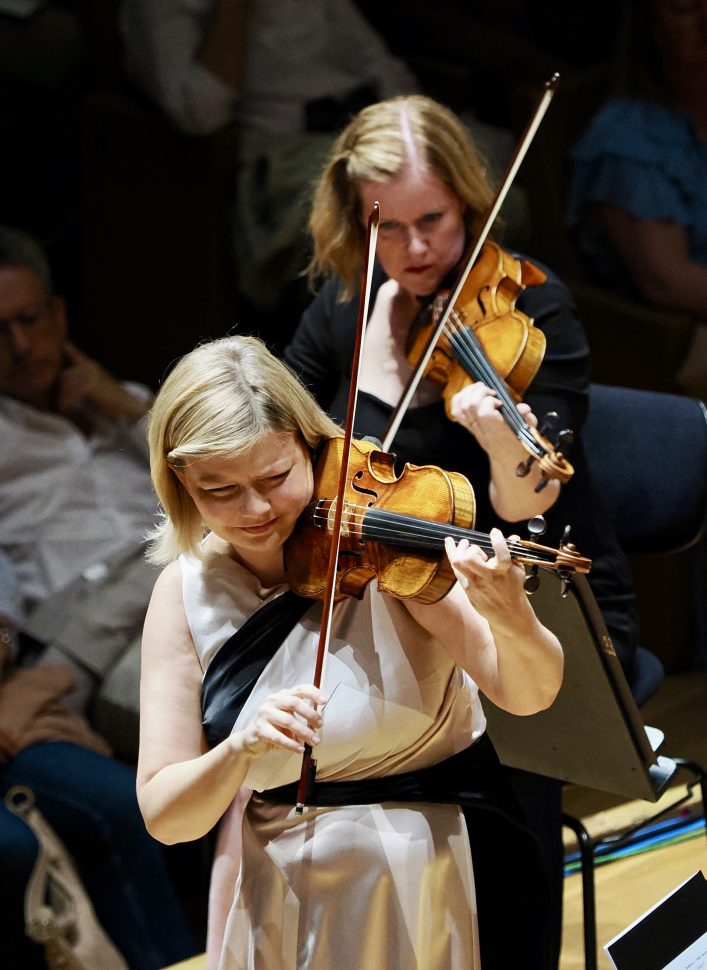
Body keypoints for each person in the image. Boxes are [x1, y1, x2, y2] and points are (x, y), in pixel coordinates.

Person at [283, 93, 642, 967]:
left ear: (472, 201)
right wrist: (367, 366)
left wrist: (492, 432)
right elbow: (289, 438)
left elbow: (529, 506)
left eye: (433, 221)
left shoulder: (531, 308)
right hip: (392, 603)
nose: (413, 251)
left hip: (527, 597)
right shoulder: (345, 305)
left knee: (488, 796)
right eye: (387, 224)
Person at [139, 333, 565, 970]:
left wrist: (513, 619)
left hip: (448, 870)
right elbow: (169, 818)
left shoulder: (381, 547)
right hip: (292, 896)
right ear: (180, 482)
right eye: (219, 490)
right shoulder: (182, 593)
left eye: (274, 477)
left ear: (312, 449)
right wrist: (238, 751)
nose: (254, 509)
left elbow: (528, 695)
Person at [0, 226, 199, 968]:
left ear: (58, 317)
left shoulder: (136, 411)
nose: (19, 347)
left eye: (29, 322)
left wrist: (125, 411)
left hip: (198, 590)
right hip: (95, 639)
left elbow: (225, 477)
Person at [119, 0, 418, 327]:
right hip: (288, 158)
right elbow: (198, 111)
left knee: (468, 181)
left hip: (375, 132)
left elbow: (378, 63)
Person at [567, 0, 707, 398]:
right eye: (684, 8)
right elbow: (667, 281)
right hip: (678, 340)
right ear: (650, 27)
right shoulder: (630, 137)